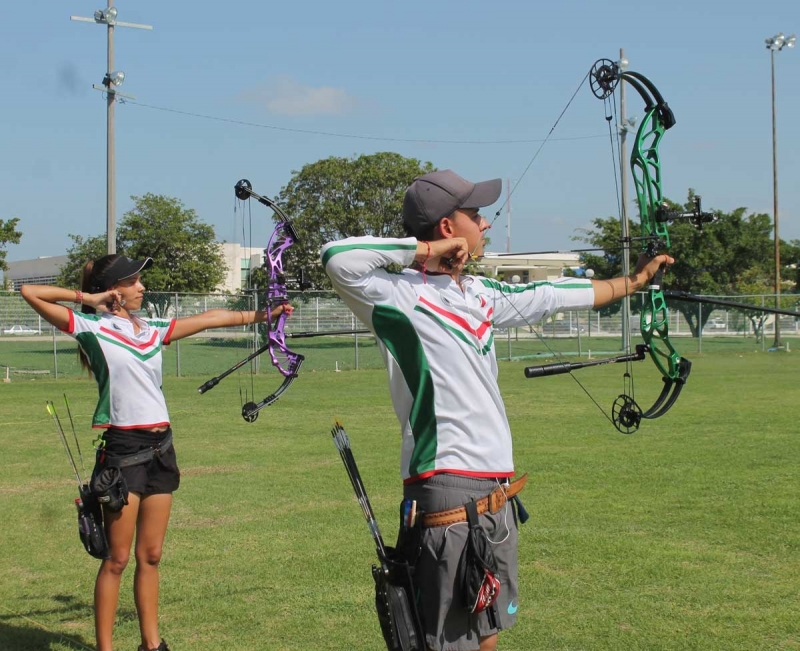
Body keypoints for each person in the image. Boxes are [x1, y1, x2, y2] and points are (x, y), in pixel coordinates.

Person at [321, 169, 674, 651]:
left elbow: (550, 295)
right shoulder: (395, 294)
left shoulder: (481, 295)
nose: (485, 225)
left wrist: (633, 282)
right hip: (445, 485)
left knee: (487, 638)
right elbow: (337, 257)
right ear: (447, 228)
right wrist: (425, 253)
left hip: (496, 491)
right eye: (476, 215)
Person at [21, 254, 292, 651]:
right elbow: (30, 291)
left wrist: (262, 315)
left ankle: (152, 645)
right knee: (116, 559)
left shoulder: (153, 329)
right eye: (134, 281)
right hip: (123, 450)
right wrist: (90, 298)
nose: (142, 287)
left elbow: (212, 318)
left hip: (161, 447)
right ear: (115, 289)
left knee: (151, 555)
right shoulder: (91, 328)